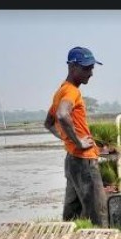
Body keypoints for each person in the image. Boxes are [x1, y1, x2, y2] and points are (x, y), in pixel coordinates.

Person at [44, 46, 108, 227]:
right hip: (83, 161)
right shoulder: (72, 91)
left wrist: (68, 139)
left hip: (72, 160)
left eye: (92, 68)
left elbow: (48, 123)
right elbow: (62, 115)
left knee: (71, 215)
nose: (91, 73)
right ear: (72, 67)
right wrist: (78, 141)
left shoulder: (60, 92)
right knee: (98, 213)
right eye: (87, 68)